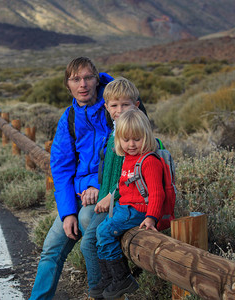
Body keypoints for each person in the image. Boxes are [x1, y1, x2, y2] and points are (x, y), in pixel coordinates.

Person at [28, 57, 113, 300]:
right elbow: (62, 168)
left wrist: (99, 186)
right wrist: (67, 214)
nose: (83, 84)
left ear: (97, 80)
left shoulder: (114, 107)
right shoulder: (69, 119)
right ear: (68, 85)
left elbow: (125, 157)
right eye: (76, 79)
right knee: (51, 249)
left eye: (88, 78)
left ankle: (107, 292)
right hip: (77, 195)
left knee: (90, 229)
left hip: (107, 193)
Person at [91, 109, 166, 299]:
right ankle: (109, 278)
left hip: (138, 210)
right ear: (119, 140)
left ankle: (122, 278)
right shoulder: (128, 159)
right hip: (125, 208)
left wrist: (151, 217)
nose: (131, 144)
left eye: (136, 139)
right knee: (101, 232)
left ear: (146, 137)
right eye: (126, 140)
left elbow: (157, 193)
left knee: (104, 232)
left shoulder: (149, 161)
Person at [79, 77, 143, 298]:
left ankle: (103, 289)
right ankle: (105, 287)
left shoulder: (135, 136)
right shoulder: (113, 135)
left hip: (121, 204)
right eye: (114, 105)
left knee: (89, 242)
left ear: (136, 106)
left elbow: (134, 174)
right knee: (91, 243)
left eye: (125, 105)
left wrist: (111, 196)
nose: (119, 110)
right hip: (109, 201)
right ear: (106, 107)